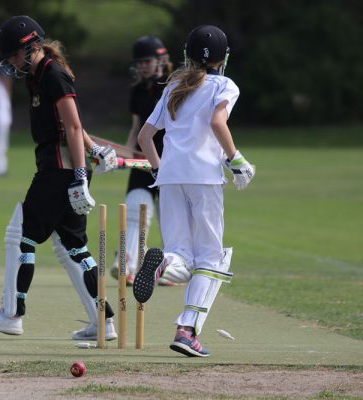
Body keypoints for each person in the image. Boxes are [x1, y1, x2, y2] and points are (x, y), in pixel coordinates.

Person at [0, 15, 119, 340]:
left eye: (12, 54)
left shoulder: (53, 74)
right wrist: (96, 152)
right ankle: (103, 323)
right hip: (60, 170)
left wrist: (80, 176)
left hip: (59, 172)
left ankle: (11, 314)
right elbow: (72, 127)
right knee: (73, 247)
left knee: (19, 234)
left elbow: (75, 126)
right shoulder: (35, 76)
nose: (9, 62)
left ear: (30, 47)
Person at [134, 25, 255, 357]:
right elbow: (218, 123)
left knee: (182, 256)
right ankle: (186, 331)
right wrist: (237, 159)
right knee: (212, 258)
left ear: (187, 55)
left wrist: (160, 168)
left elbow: (145, 137)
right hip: (203, 178)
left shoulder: (174, 84)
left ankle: (162, 264)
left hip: (170, 178)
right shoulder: (224, 84)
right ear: (224, 57)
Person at [110, 36, 173, 286]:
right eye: (140, 62)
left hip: (169, 161)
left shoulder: (171, 87)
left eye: (148, 60)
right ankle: (126, 264)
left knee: (170, 217)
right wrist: (124, 154)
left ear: (160, 60)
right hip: (141, 159)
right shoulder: (137, 90)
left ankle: (171, 268)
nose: (144, 66)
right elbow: (136, 128)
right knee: (136, 208)